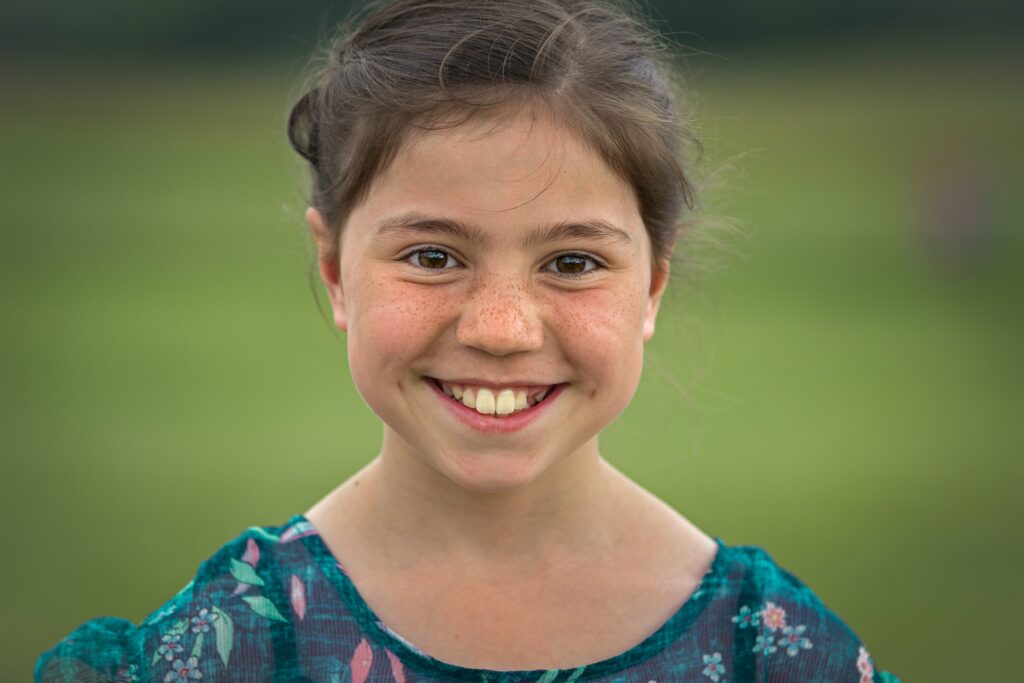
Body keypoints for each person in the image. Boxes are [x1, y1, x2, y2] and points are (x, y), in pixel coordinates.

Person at [36, 1, 901, 681]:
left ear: (653, 286)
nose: (500, 330)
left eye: (571, 261)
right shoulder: (226, 646)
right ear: (336, 272)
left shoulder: (776, 653)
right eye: (433, 256)